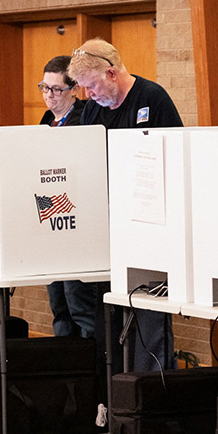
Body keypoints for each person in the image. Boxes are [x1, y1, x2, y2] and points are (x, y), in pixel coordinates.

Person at [68, 38, 183, 375]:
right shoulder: (93, 110)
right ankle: (114, 392)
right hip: (110, 230)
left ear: (112, 72)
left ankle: (149, 386)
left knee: (148, 318)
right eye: (84, 89)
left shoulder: (152, 98)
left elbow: (174, 159)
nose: (89, 95)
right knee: (109, 315)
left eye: (92, 86)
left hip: (149, 228)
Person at [36, 55, 97, 338]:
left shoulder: (85, 120)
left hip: (77, 227)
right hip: (51, 226)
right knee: (58, 304)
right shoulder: (46, 122)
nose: (49, 95)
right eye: (44, 88)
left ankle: (89, 373)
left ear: (74, 88)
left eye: (56, 89)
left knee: (79, 306)